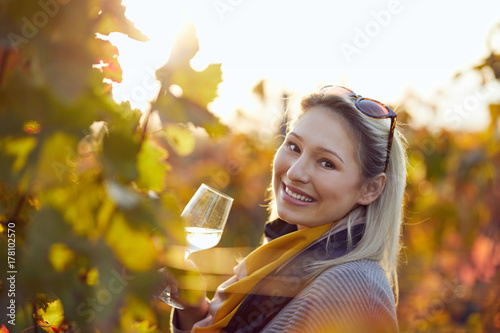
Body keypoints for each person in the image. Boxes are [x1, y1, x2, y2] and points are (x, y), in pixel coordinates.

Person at [164, 85, 407, 333]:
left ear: (370, 189)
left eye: (326, 163)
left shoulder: (353, 289)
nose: (294, 172)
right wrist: (192, 310)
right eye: (294, 147)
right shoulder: (282, 261)